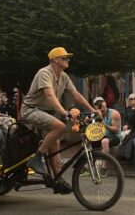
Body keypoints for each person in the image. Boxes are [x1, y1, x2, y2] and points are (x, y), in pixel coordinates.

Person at [22, 47, 98, 194]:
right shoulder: (45, 73)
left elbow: (75, 94)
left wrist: (92, 109)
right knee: (60, 126)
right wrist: (64, 112)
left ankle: (57, 180)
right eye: (64, 58)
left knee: (55, 142)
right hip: (31, 110)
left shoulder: (63, 75)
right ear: (54, 60)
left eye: (67, 58)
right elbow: (50, 95)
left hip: (46, 112)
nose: (67, 60)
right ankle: (36, 159)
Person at [92, 97, 122, 174]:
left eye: (101, 103)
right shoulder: (95, 115)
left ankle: (104, 167)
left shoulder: (114, 113)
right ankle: (88, 165)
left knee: (104, 141)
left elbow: (116, 129)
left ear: (105, 103)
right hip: (101, 136)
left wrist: (105, 125)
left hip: (114, 136)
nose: (100, 106)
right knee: (87, 141)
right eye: (97, 104)